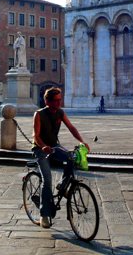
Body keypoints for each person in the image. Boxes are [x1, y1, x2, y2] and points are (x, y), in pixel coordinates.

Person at [32, 87, 89, 229]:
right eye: (56, 100)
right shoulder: (39, 114)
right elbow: (36, 136)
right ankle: (44, 215)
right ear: (47, 101)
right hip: (40, 150)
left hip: (55, 147)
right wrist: (43, 146)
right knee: (47, 179)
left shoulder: (60, 113)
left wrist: (81, 141)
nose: (59, 103)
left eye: (60, 100)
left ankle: (62, 187)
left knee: (71, 157)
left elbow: (71, 127)